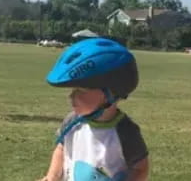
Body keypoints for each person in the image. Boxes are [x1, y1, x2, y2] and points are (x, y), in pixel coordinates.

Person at [38, 37, 149, 181]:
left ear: (110, 94)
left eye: (81, 90)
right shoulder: (72, 122)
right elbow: (61, 148)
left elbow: (140, 168)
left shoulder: (126, 131)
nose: (72, 96)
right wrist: (52, 176)